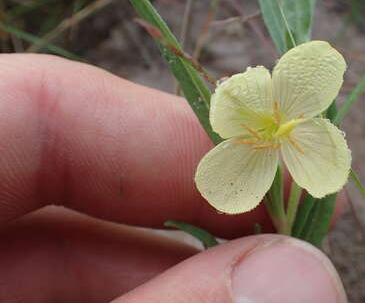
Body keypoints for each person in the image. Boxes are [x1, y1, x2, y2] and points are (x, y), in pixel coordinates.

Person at [0, 53, 347, 302]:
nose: (276, 128)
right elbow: (229, 102)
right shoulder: (247, 123)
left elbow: (325, 171)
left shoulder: (302, 101)